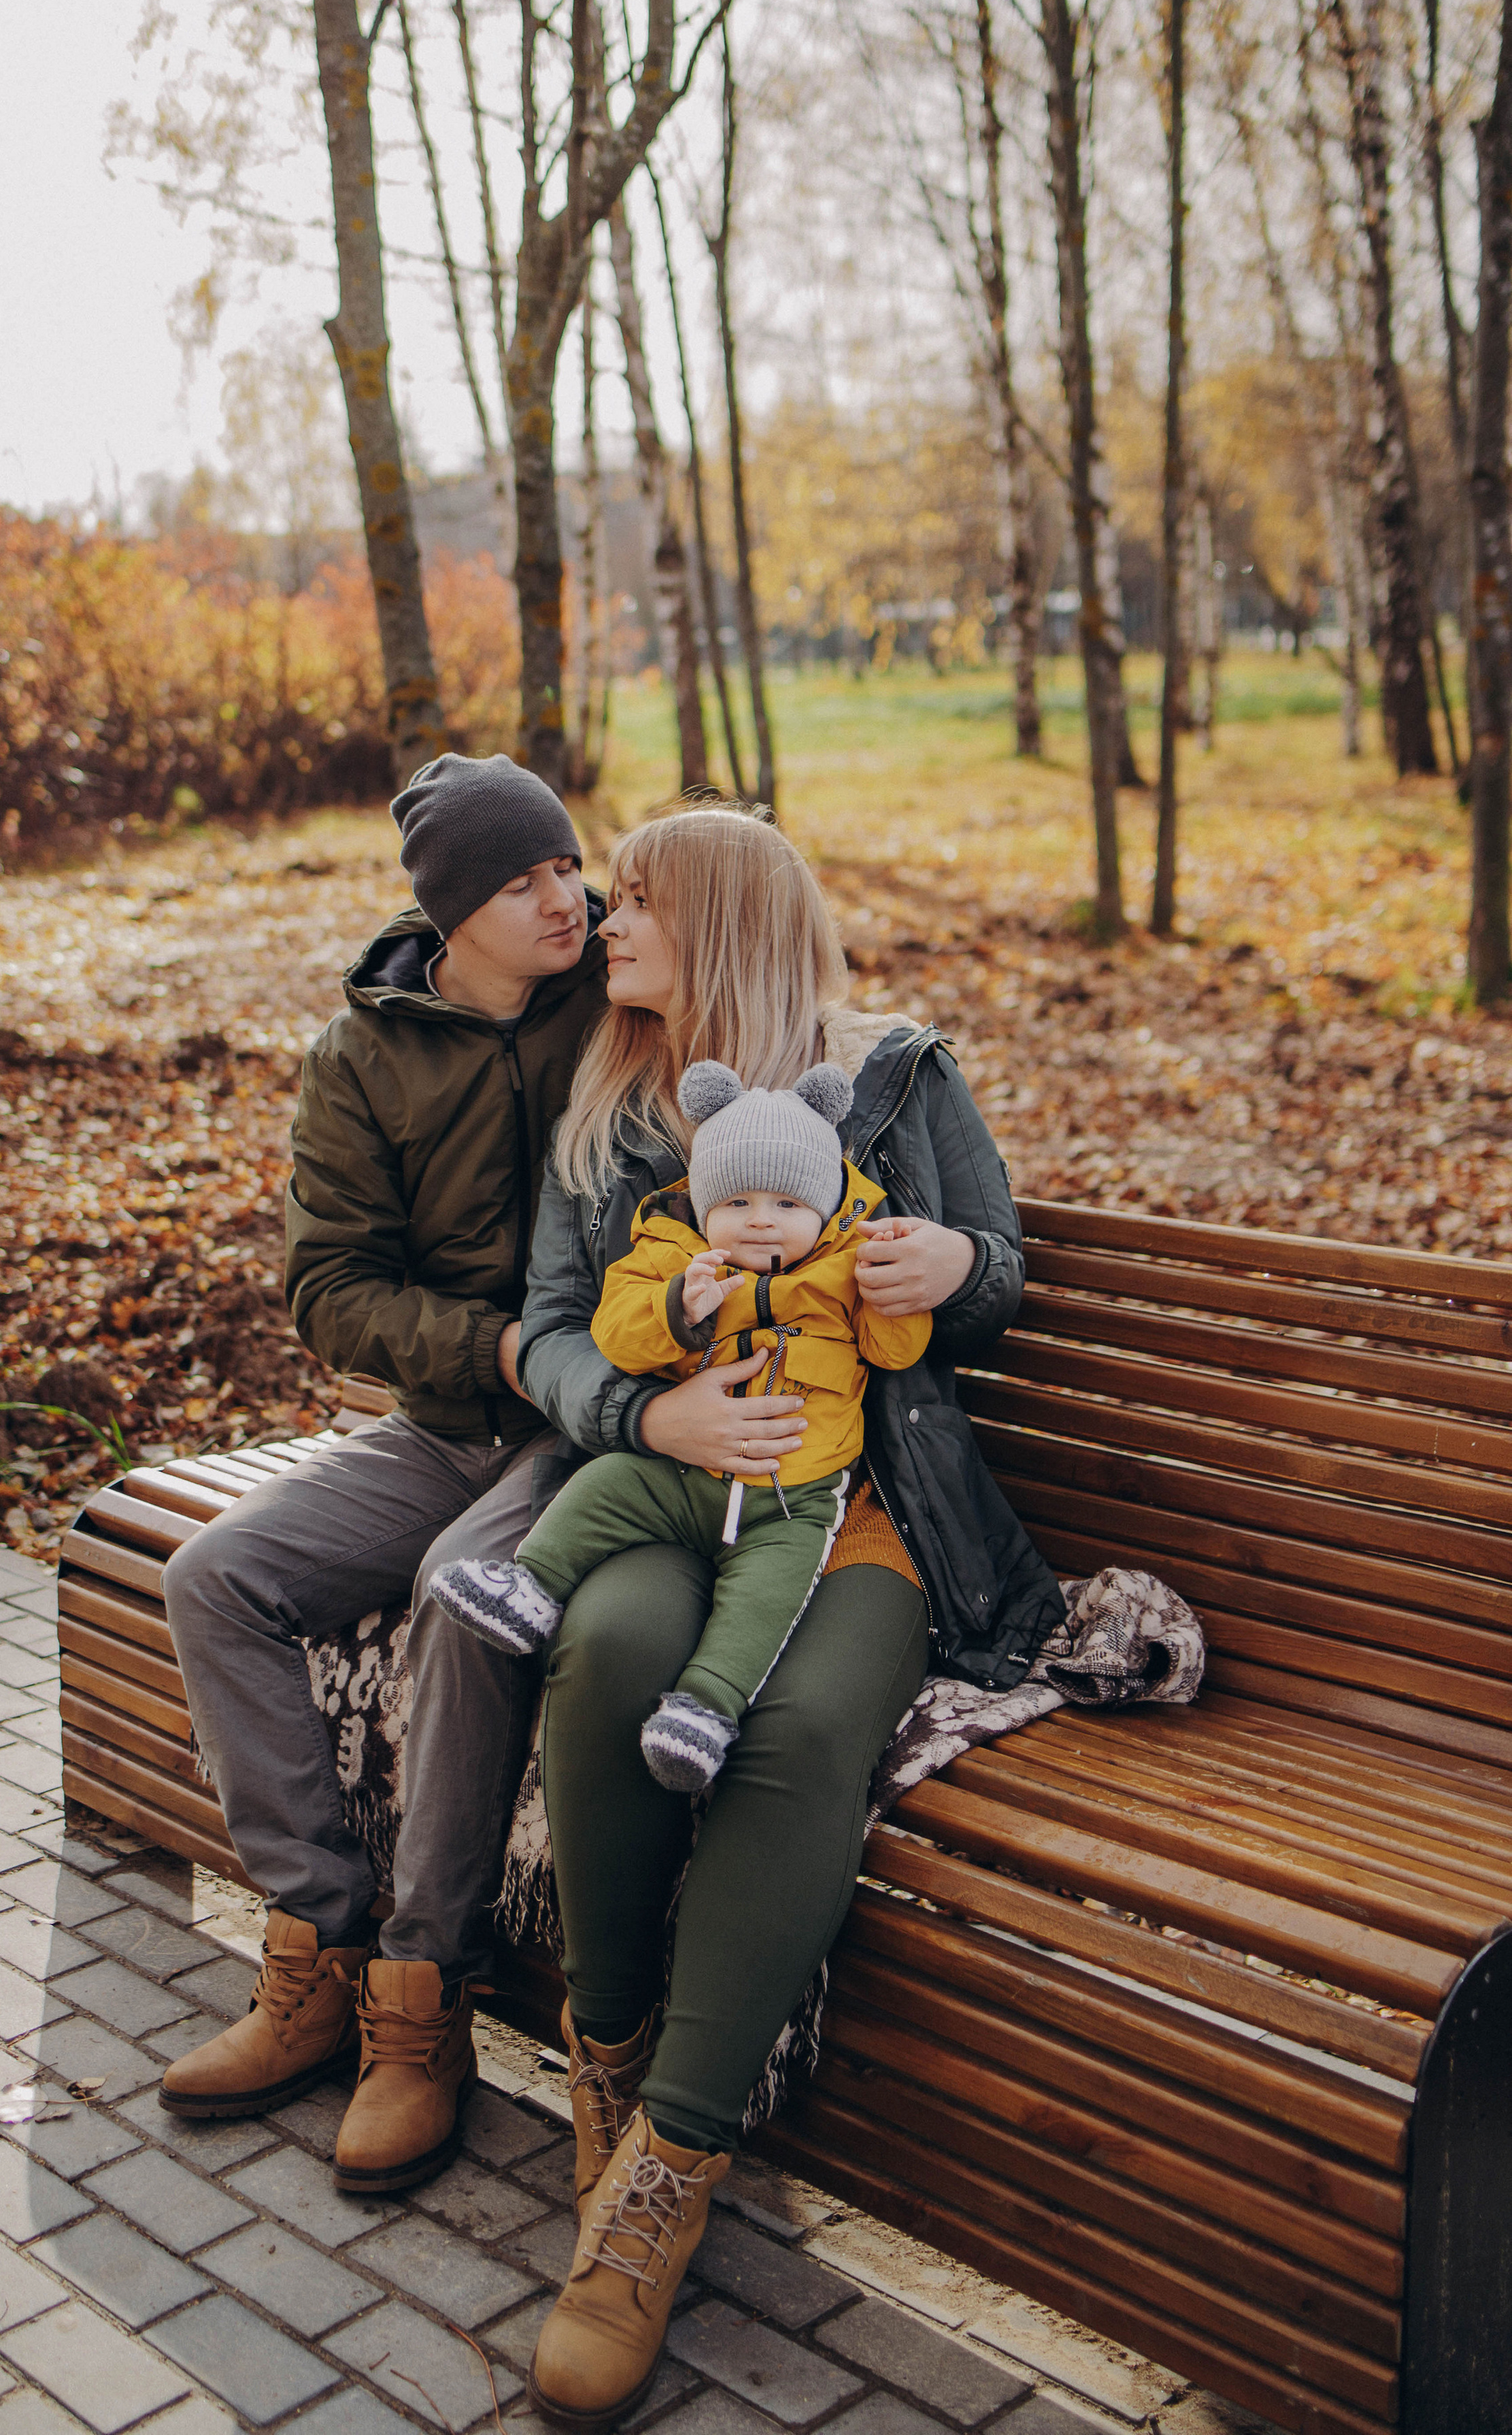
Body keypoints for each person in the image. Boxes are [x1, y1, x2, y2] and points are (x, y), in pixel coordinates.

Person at [509, 804, 1062, 2432]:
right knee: (608, 1649)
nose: (604, 925)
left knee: (803, 1726)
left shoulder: (894, 1075)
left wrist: (947, 1258)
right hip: (679, 1484)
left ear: (731, 920)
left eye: (636, 903)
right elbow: (545, 1330)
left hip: (857, 1508)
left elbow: (998, 1279)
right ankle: (598, 2049)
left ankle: (666, 2169)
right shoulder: (609, 1103)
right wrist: (643, 1418)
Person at [156, 750, 607, 2198]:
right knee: (213, 1575)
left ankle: (422, 2011)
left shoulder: (613, 1010)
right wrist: (490, 1350)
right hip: (453, 1415)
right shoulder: (359, 1059)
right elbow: (330, 1290)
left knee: (454, 1590)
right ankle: (315, 1955)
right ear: (452, 911)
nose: (565, 897)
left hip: (586, 1426)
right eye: (526, 879)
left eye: (566, 866)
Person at [433, 1058, 930, 1792]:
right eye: (736, 1201)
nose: (760, 1217)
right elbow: (615, 1334)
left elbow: (894, 1353)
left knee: (766, 1600)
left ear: (823, 1211)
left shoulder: (845, 1266)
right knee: (601, 1486)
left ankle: (705, 1710)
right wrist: (678, 1308)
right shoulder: (670, 1255)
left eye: (788, 1204)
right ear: (702, 1205)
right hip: (678, 1472)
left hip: (790, 1499)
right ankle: (528, 1588)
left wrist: (891, 1295)